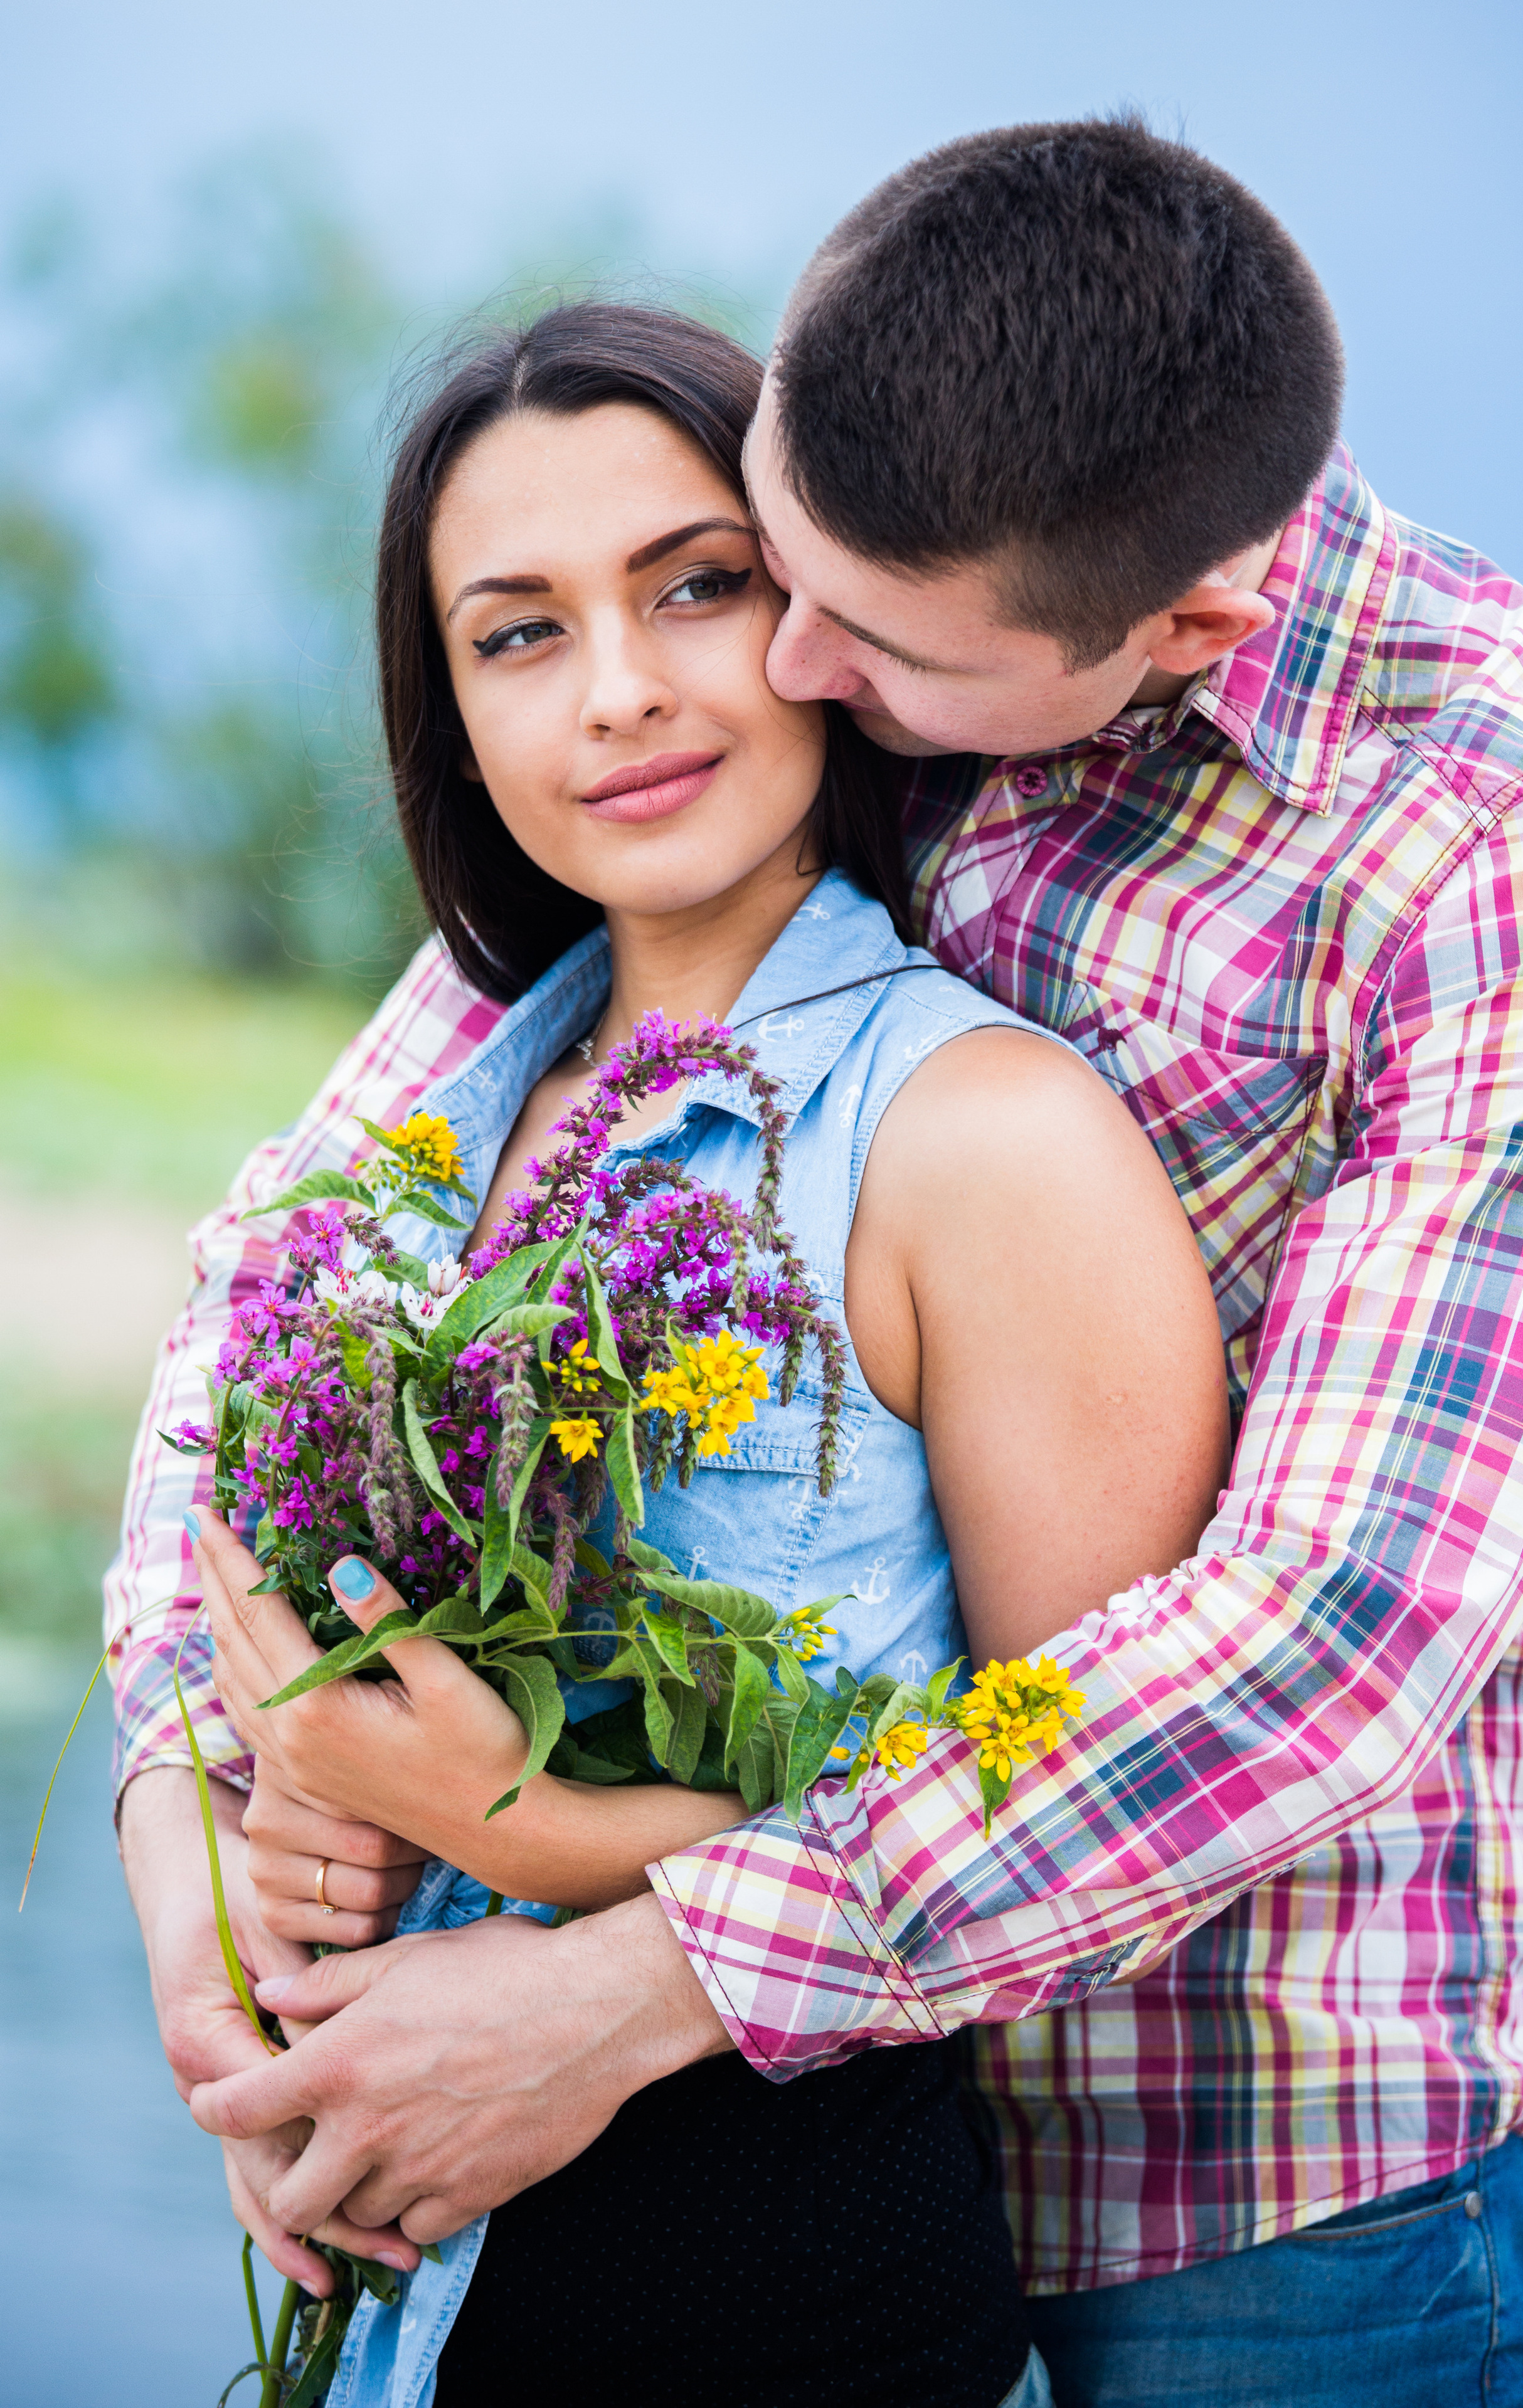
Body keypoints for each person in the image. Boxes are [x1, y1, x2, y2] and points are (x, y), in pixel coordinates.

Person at [114, 119, 1523, 2404]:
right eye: (766, 561)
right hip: (742, 2144)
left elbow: (1325, 1638)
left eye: (794, 615)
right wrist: (188, 1801)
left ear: (1174, 628)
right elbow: (279, 1272)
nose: (764, 662)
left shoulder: (1497, 837)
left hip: (1251, 2186)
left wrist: (593, 1957)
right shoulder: (872, 649)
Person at [131, 297, 1227, 2408]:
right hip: (402, 2335)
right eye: (518, 633)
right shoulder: (425, 1145)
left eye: (693, 589)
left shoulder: (981, 1137)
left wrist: (520, 1816)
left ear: (820, 618)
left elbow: (1066, 1812)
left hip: (798, 2327)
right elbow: (247, 1643)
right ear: (448, 709)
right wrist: (267, 1876)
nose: (621, 694)